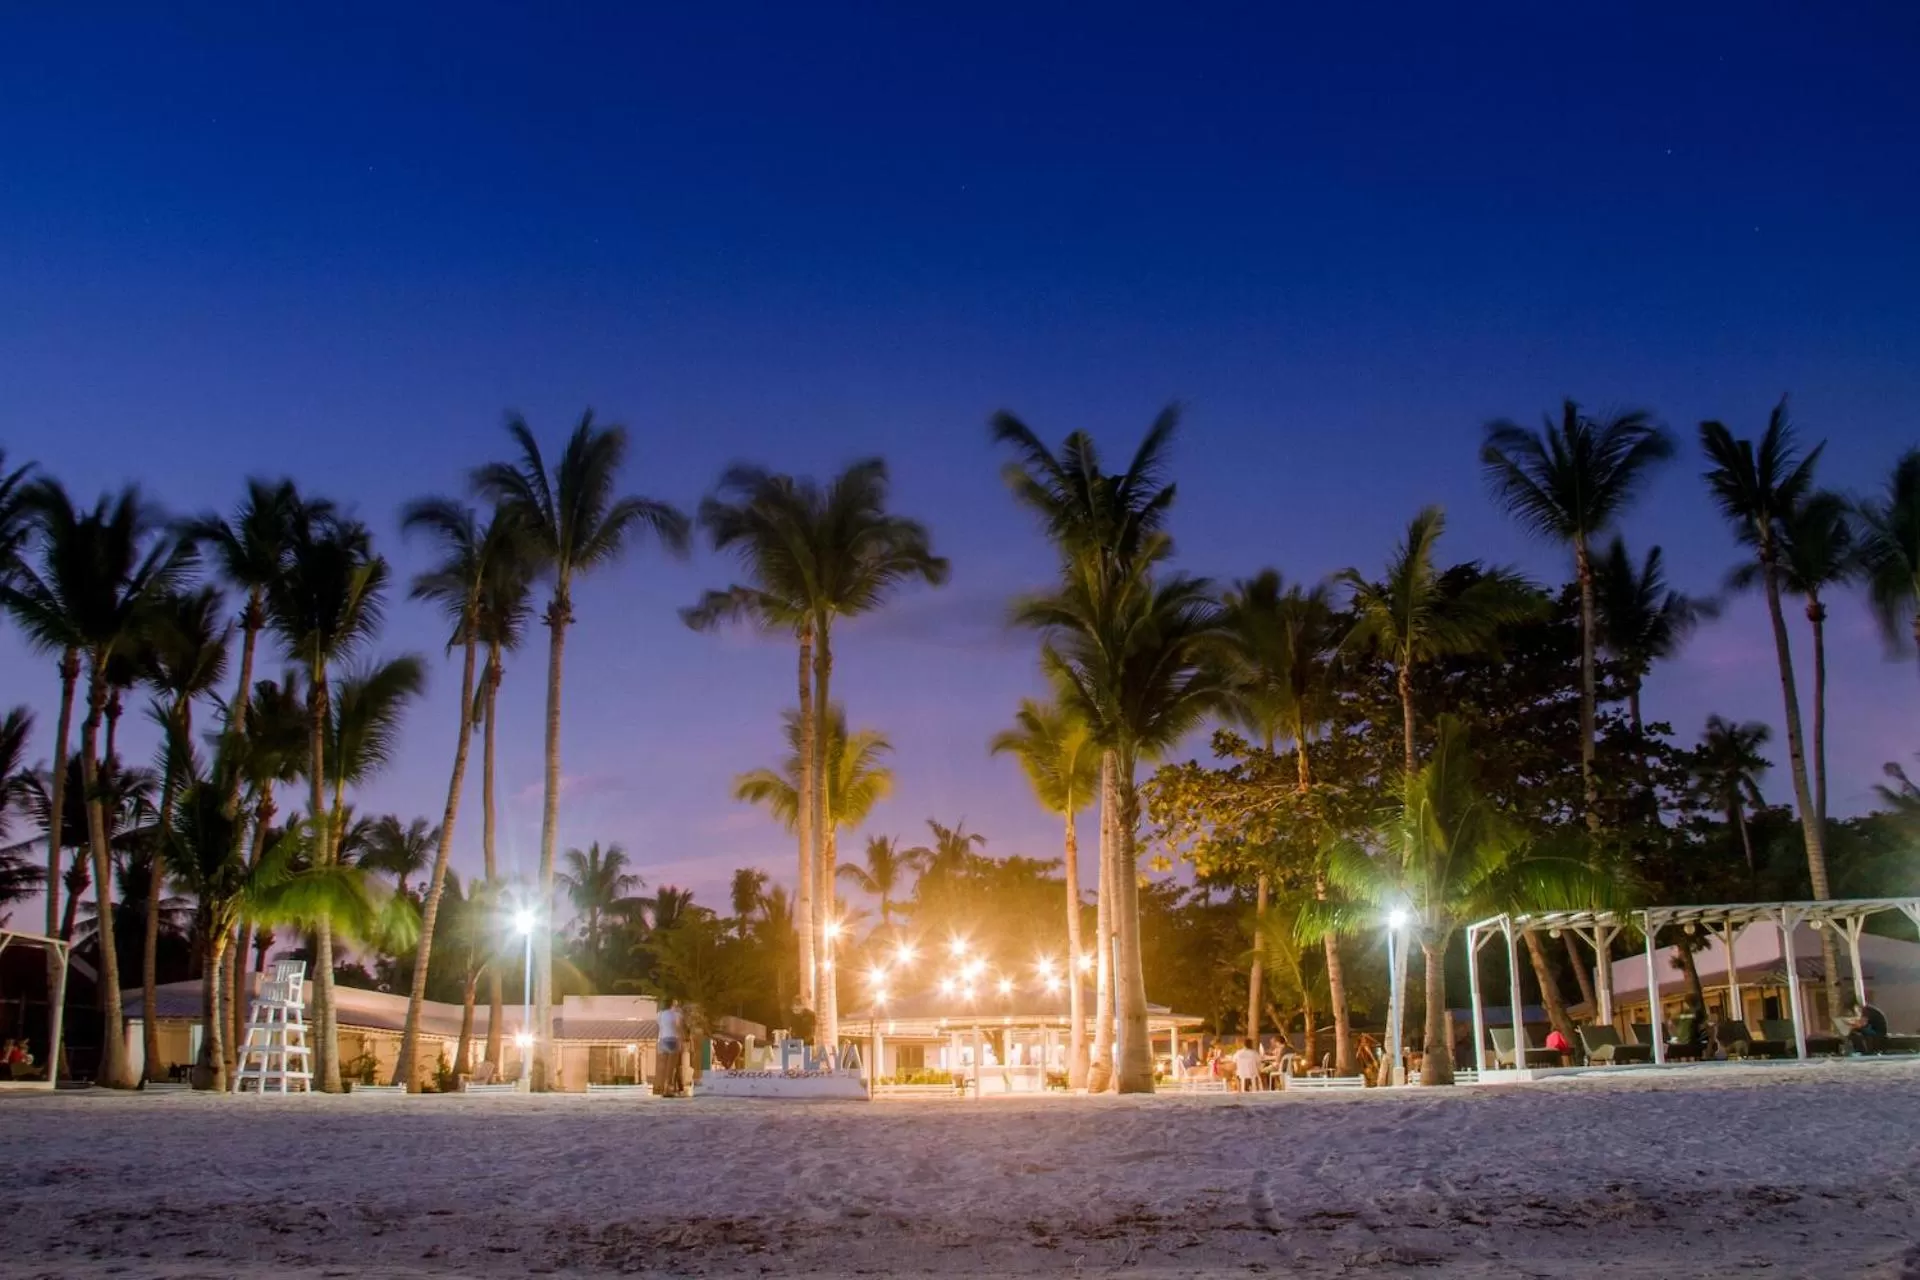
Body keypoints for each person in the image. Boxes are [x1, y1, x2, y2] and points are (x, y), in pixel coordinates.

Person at [654, 999, 684, 1097]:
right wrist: (681, 1042)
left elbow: (660, 1027)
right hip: (673, 1040)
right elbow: (679, 1028)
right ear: (672, 1005)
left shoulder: (660, 1014)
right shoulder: (677, 1014)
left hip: (662, 1040)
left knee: (662, 1066)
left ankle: (661, 1088)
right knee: (670, 1067)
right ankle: (668, 1089)